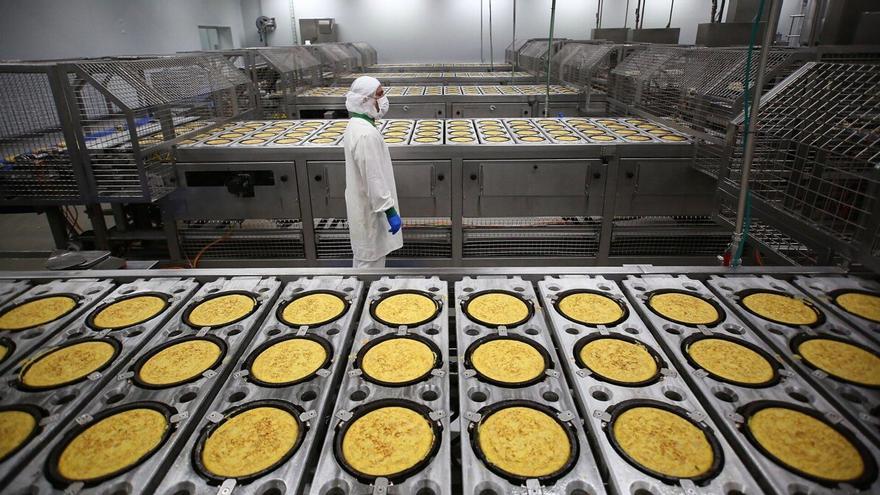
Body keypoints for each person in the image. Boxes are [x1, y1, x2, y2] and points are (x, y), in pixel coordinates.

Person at [343, 76, 403, 268]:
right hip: (371, 215)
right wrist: (390, 211)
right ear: (365, 100)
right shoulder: (366, 135)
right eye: (379, 95)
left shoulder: (357, 125)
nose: (383, 99)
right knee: (369, 269)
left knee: (366, 261)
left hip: (365, 209)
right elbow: (374, 179)